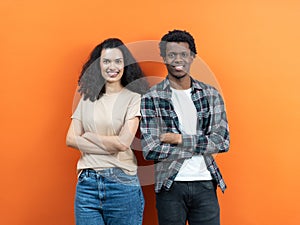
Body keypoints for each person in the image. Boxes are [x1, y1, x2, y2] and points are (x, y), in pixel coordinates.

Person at [140, 30, 230, 225]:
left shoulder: (210, 95)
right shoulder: (151, 97)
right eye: (172, 55)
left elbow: (222, 141)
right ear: (164, 57)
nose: (177, 60)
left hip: (205, 183)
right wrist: (201, 142)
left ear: (192, 57)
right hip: (170, 186)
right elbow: (151, 149)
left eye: (183, 54)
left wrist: (178, 139)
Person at [66, 38, 147, 225]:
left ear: (126, 65)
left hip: (122, 184)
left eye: (118, 61)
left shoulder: (134, 98)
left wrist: (89, 137)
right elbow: (70, 139)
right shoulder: (87, 99)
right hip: (87, 185)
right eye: (106, 61)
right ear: (98, 65)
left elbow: (123, 143)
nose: (113, 66)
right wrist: (110, 145)